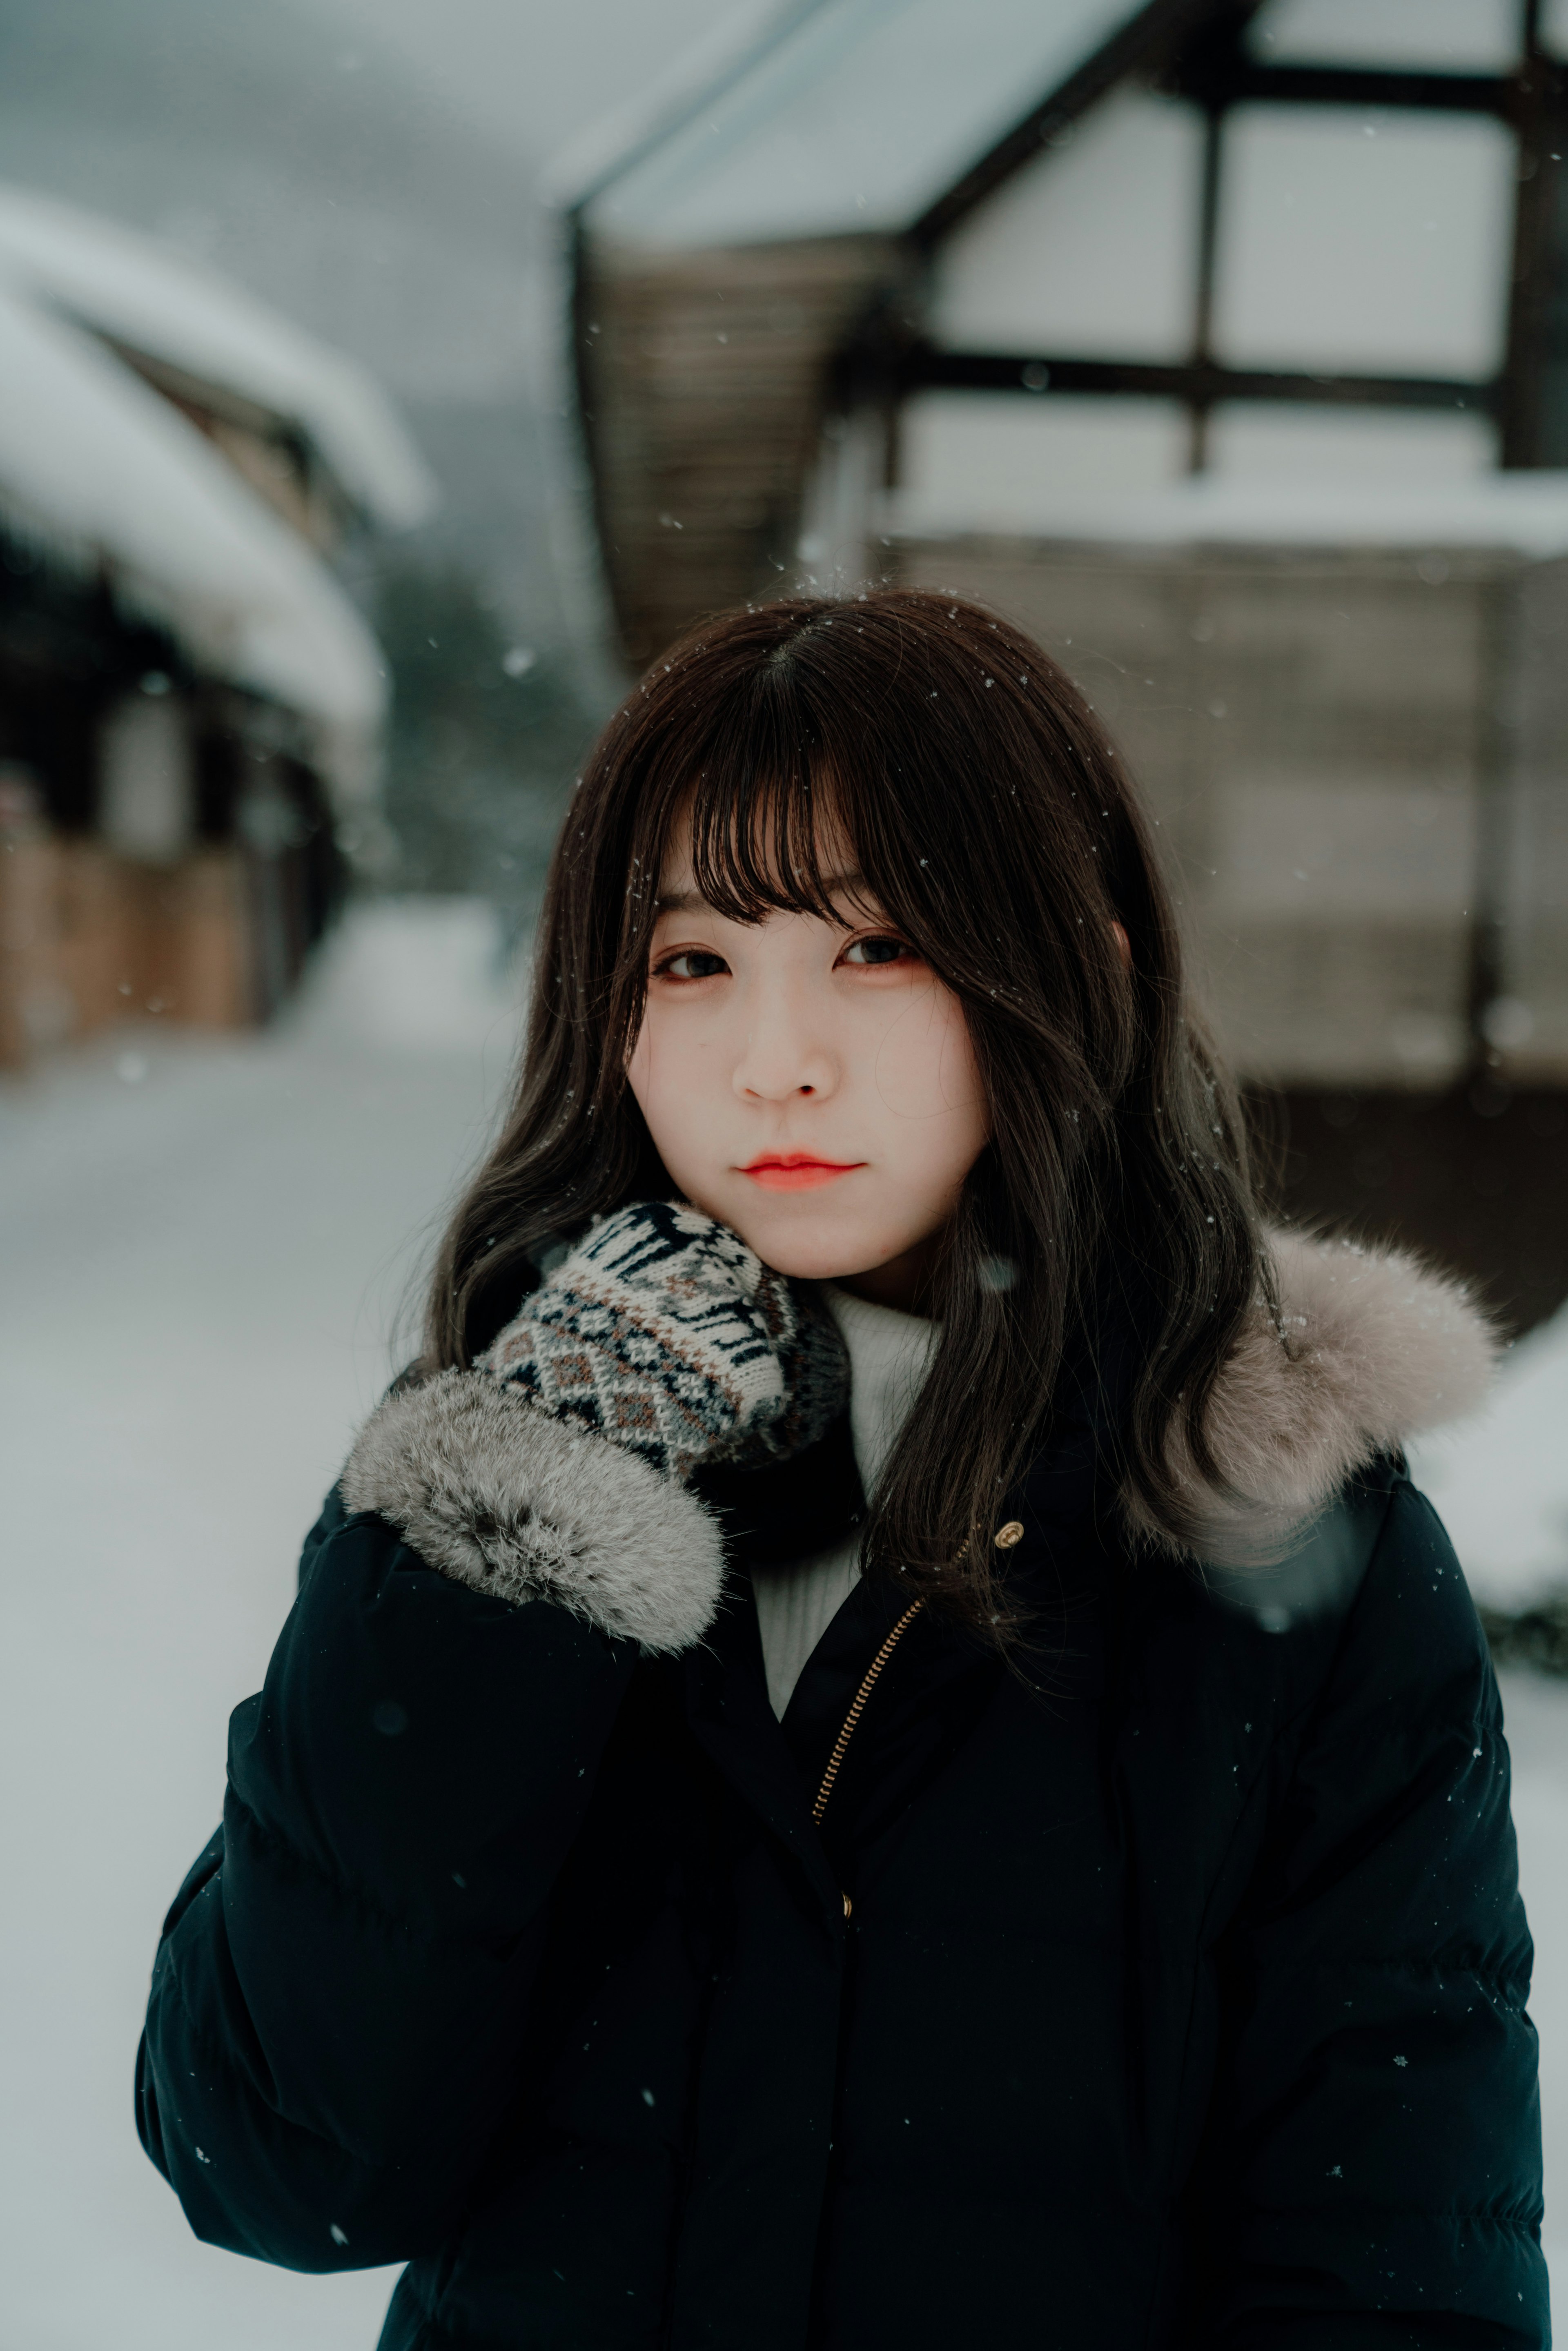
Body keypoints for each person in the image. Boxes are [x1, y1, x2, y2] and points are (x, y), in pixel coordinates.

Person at [137, 590, 1546, 2349]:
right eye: (691, 961)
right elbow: (281, 2160)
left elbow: (1399, 2279)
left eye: (877, 949)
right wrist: (503, 1539)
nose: (774, 1059)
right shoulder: (503, 1460)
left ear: (1079, 967)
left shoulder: (1287, 1554)